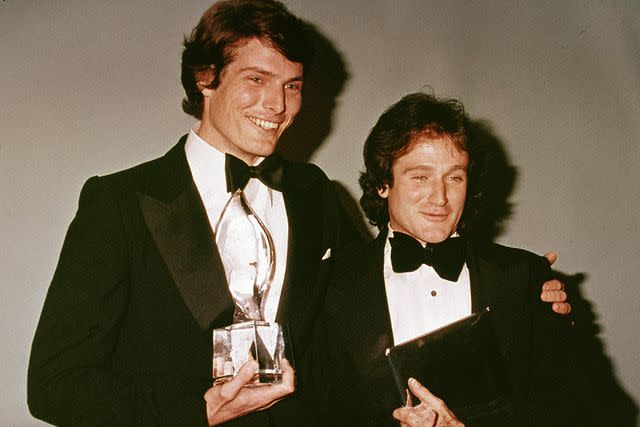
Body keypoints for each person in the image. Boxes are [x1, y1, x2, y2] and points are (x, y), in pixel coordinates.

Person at [27, 1, 570, 425]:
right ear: (205, 78)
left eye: (292, 86)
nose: (277, 105)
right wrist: (201, 410)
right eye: (255, 80)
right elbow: (55, 384)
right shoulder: (119, 203)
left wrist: (523, 290)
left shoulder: (312, 193)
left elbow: (385, 291)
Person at [312, 92, 584, 426]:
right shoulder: (332, 288)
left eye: (454, 177)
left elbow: (577, 407)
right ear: (383, 183)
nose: (440, 198)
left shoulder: (524, 278)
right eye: (420, 176)